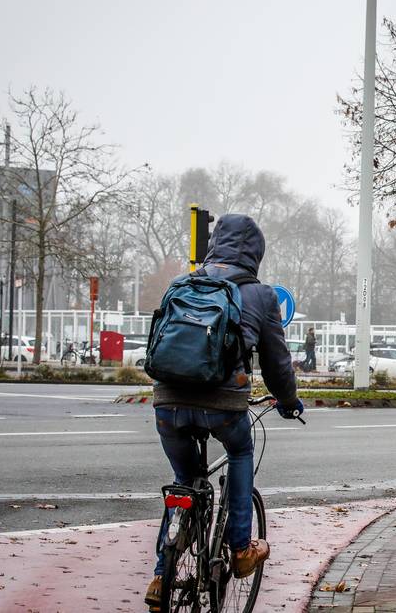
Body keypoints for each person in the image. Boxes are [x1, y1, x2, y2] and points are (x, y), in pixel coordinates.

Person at [145, 214, 304, 609]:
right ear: (255, 253)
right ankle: (240, 549)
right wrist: (288, 401)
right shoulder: (260, 296)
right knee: (240, 451)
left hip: (167, 401)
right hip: (224, 404)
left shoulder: (181, 284)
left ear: (214, 244)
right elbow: (277, 364)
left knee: (184, 479)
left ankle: (161, 575)